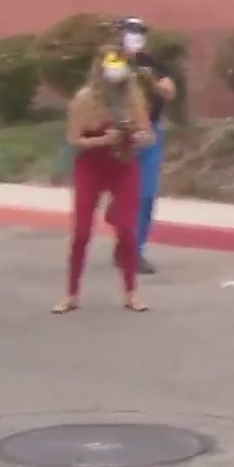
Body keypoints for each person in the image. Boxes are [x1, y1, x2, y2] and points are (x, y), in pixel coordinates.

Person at [56, 47, 152, 314]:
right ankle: (71, 294)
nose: (116, 69)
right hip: (91, 166)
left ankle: (131, 293)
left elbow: (148, 133)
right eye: (111, 64)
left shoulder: (133, 97)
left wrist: (142, 138)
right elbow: (74, 139)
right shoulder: (84, 99)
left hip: (123, 164)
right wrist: (103, 139)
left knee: (126, 230)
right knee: (82, 232)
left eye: (120, 64)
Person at [119, 17, 177, 275]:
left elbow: (169, 91)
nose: (135, 37)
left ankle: (135, 250)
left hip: (151, 133)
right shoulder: (109, 62)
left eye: (139, 33)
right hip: (121, 133)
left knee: (145, 194)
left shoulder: (151, 62)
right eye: (130, 32)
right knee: (123, 195)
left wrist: (150, 80)